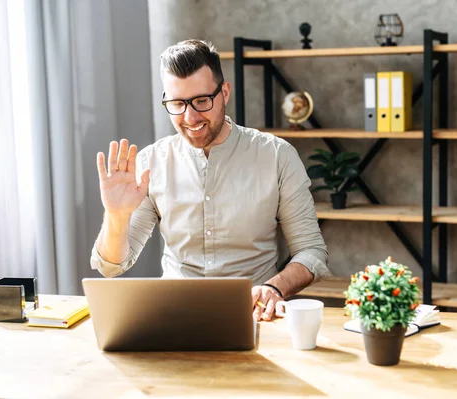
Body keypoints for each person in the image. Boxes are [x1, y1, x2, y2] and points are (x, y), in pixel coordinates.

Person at [90, 39, 331, 321]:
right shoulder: (149, 163)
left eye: (202, 101)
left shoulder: (277, 156)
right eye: (177, 103)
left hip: (253, 315)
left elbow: (312, 252)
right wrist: (116, 216)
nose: (190, 117)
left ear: (224, 92)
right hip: (174, 317)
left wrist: (272, 288)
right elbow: (112, 266)